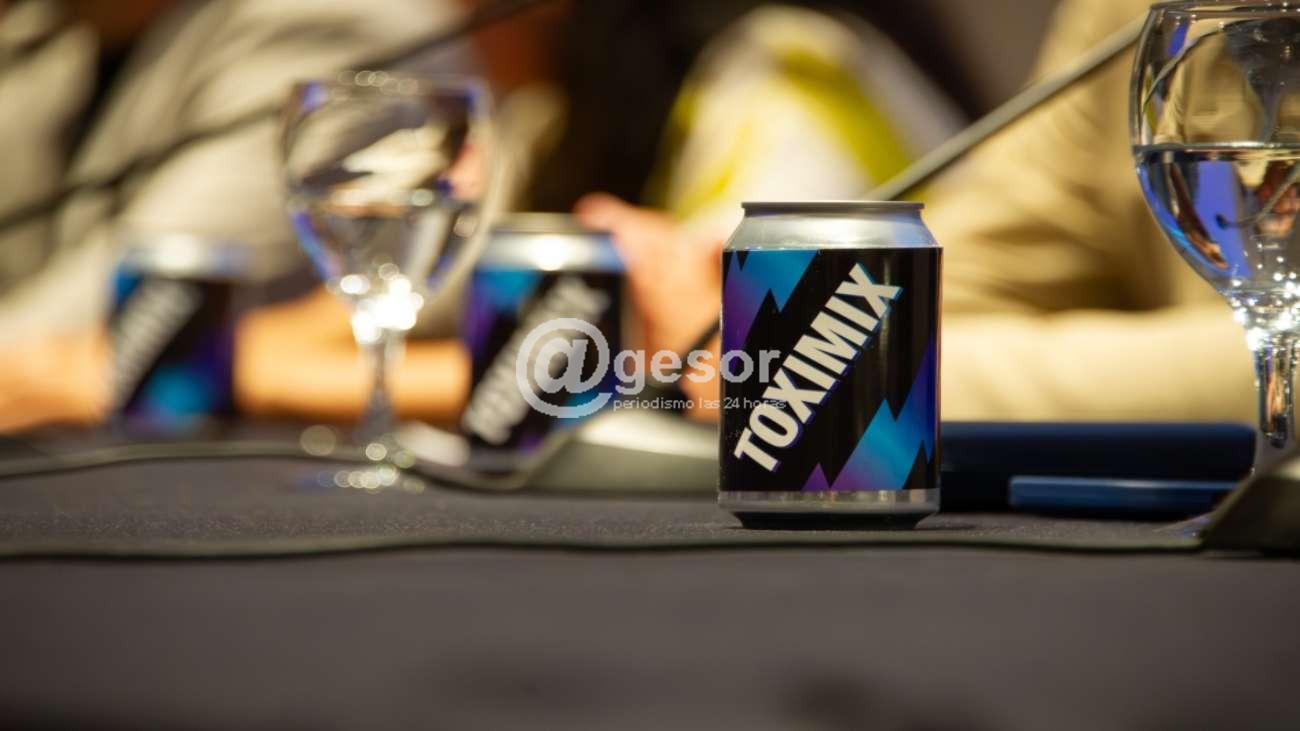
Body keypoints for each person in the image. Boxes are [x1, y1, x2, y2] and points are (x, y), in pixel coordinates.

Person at [232, 0, 964, 425]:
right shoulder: (552, 114)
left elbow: (730, 370)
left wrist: (275, 379)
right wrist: (248, 353)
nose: (454, 16)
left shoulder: (790, 76)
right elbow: (409, 295)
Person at [590, 0, 1266, 425]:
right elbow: (995, 254)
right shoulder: (1129, 10)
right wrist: (780, 313)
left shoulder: (791, 63)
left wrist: (810, 374)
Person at [0, 0, 457, 432]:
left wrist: (260, 374)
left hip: (228, 449)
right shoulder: (47, 30)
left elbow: (155, 283)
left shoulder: (324, 19)